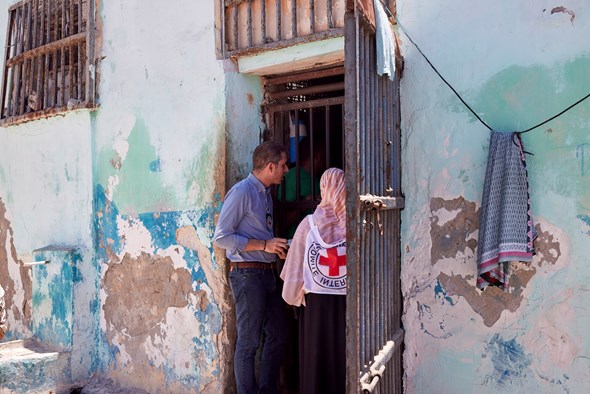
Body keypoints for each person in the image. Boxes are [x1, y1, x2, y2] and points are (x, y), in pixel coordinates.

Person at [213, 141, 290, 394]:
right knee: (248, 344)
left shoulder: (265, 193)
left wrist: (276, 246)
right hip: (247, 275)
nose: (286, 170)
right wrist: (264, 245)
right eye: (283, 165)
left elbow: (262, 236)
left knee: (278, 335)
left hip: (267, 274)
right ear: (270, 166)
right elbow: (222, 238)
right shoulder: (242, 192)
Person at [281, 168, 347, 394]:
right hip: (348, 304)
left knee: (316, 356)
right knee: (345, 355)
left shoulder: (308, 225)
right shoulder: (357, 225)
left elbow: (294, 272)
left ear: (323, 189)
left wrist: (292, 297)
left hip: (316, 306)